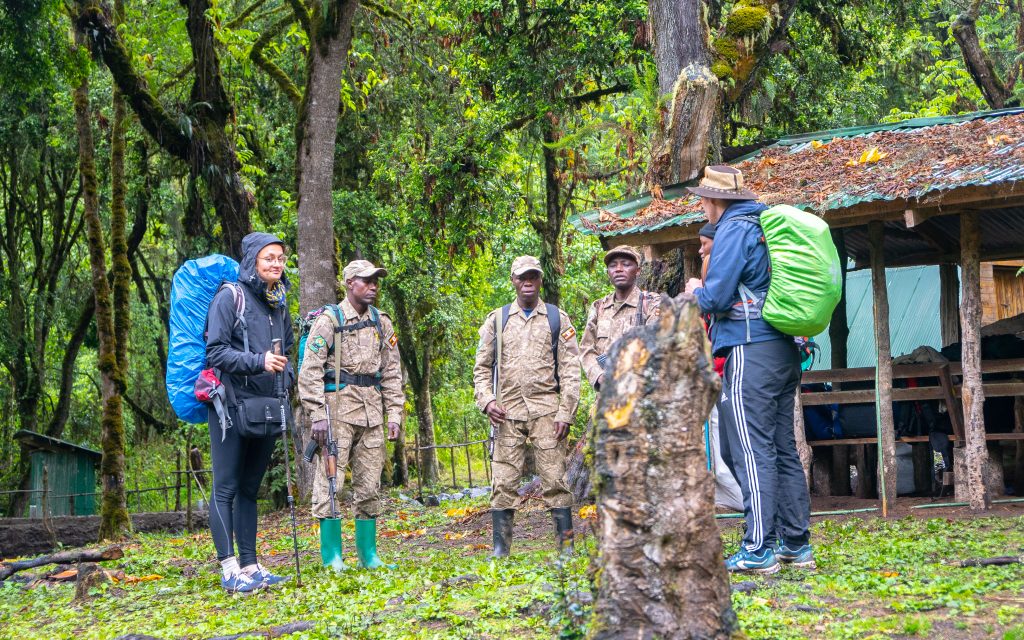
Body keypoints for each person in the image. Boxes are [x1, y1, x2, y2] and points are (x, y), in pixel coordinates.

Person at [683, 165, 812, 574]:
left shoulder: (733, 230)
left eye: (703, 198)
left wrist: (694, 292)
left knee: (751, 450)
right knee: (782, 448)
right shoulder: (764, 224)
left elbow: (717, 298)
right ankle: (796, 543)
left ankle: (759, 548)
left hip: (748, 348)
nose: (702, 205)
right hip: (782, 350)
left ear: (716, 200)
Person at [298, 260, 404, 569]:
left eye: (375, 281)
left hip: (372, 412)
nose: (373, 286)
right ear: (349, 284)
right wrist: (317, 415)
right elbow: (310, 372)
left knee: (370, 485)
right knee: (332, 484)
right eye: (365, 280)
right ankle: (332, 556)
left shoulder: (381, 322)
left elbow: (392, 372)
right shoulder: (329, 321)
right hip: (337, 414)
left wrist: (394, 414)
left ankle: (368, 555)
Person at [473, 256, 581, 557]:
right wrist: (487, 401)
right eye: (522, 277)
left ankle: (566, 547)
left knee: (555, 479)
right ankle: (501, 549)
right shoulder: (498, 319)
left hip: (547, 411)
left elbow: (571, 370)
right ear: (513, 280)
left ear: (541, 279)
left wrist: (566, 412)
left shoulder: (558, 319)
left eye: (533, 276)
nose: (528, 281)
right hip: (506, 413)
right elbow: (482, 367)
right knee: (503, 481)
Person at [205, 232, 294, 593]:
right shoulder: (231, 296)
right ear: (252, 260)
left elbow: (288, 349)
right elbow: (216, 353)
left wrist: (285, 382)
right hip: (229, 405)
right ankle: (228, 569)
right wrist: (259, 362)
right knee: (225, 487)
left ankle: (250, 565)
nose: (276, 264)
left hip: (266, 407)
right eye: (268, 258)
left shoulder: (279, 302)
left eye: (281, 258)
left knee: (249, 488)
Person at [579, 245, 661, 391]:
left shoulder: (651, 303)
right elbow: (586, 348)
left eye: (626, 264)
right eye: (613, 265)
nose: (618, 269)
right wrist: (599, 376)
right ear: (608, 272)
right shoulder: (599, 307)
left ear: (638, 271)